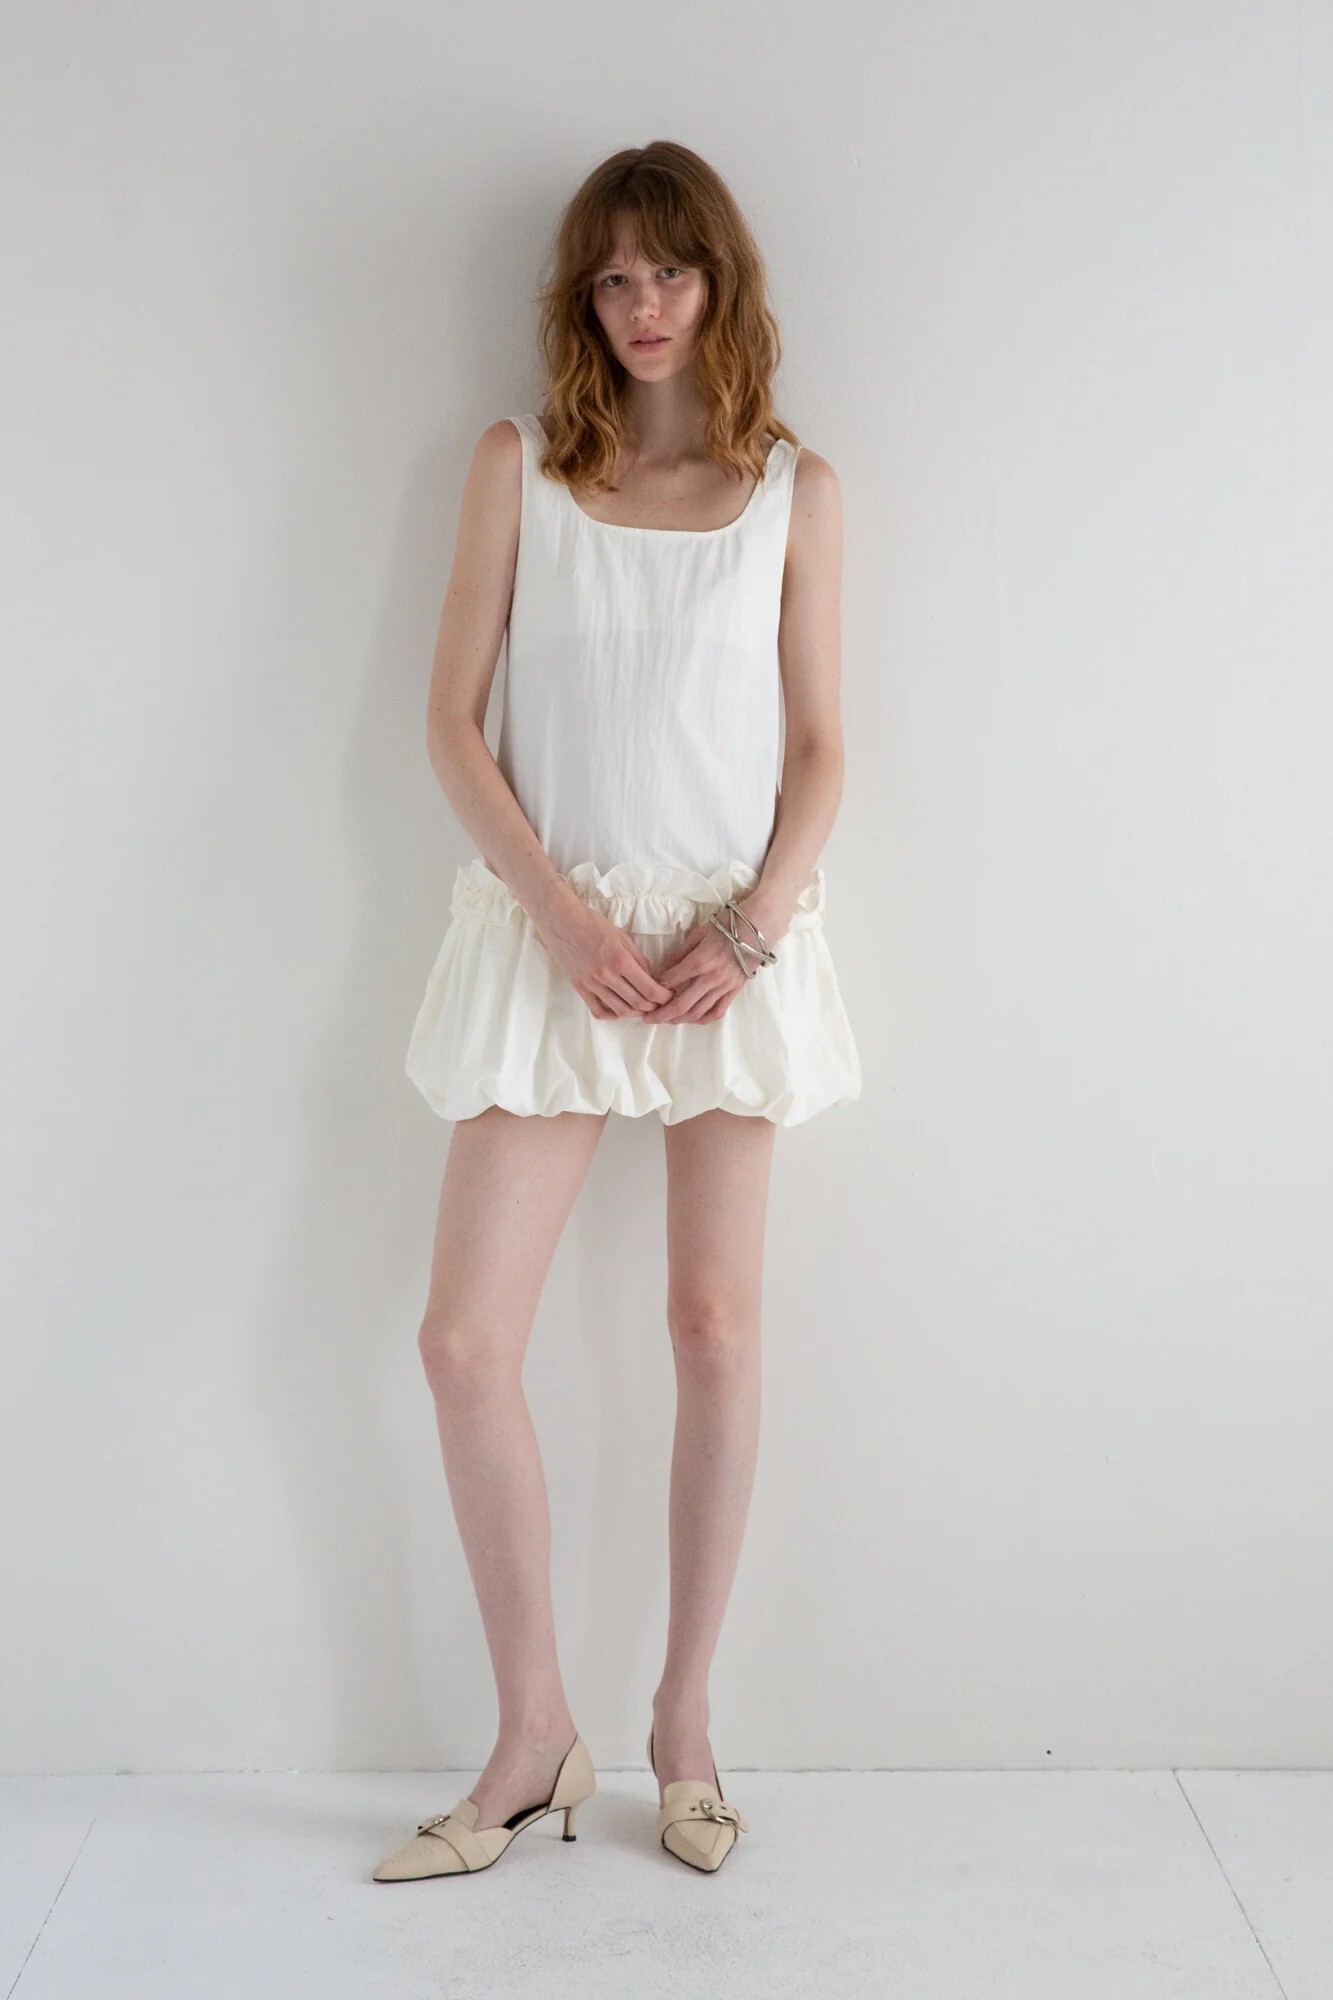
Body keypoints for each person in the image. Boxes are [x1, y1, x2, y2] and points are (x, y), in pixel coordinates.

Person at [373, 139, 861, 1884]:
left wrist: (755, 923)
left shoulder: (796, 489)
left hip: (728, 946)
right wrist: (560, 918)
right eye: (613, 278)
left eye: (671, 270)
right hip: (550, 937)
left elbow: (822, 746)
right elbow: (452, 723)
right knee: (460, 1341)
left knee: (713, 1328)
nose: (644, 304)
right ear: (581, 300)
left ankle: (684, 1728)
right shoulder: (519, 467)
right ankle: (532, 1737)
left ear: (721, 283)